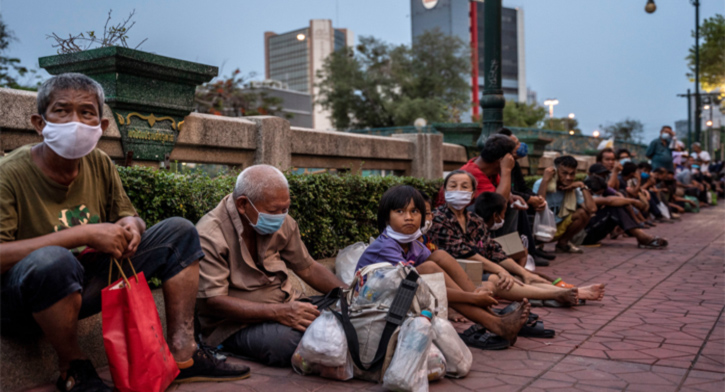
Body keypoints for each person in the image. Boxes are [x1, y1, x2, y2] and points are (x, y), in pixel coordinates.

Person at [0, 73, 249, 392]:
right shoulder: (11, 172)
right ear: (39, 123)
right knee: (54, 260)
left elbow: (128, 215)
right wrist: (83, 234)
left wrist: (132, 227)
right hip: (20, 299)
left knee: (179, 232)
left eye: (87, 112)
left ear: (101, 127)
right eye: (62, 110)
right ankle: (73, 367)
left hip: (80, 285)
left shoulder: (99, 162)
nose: (75, 120)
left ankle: (182, 355)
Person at [195, 165, 347, 368]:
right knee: (293, 343)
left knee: (344, 312)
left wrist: (350, 294)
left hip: (287, 307)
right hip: (233, 325)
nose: (281, 216)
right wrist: (280, 313)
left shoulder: (280, 220)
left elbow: (308, 267)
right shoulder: (210, 234)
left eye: (286, 209)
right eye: (274, 210)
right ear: (242, 204)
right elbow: (215, 302)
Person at [355, 185, 530, 348]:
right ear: (387, 217)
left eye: (414, 211)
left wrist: (471, 295)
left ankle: (492, 317)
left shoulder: (413, 244)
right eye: (400, 211)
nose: (408, 217)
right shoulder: (386, 246)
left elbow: (434, 272)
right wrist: (470, 298)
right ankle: (493, 322)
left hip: (401, 295)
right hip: (375, 302)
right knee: (428, 268)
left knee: (440, 256)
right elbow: (421, 285)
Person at [429, 171, 581, 306]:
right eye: (453, 186)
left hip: (476, 270)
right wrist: (501, 270)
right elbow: (464, 252)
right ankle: (557, 294)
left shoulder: (474, 220)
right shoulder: (438, 218)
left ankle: (568, 292)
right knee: (497, 279)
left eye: (464, 187)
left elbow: (493, 250)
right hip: (454, 275)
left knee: (519, 276)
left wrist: (523, 273)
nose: (458, 191)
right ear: (445, 190)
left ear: (473, 192)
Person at [473, 192, 605, 302]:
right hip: (475, 276)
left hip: (486, 270)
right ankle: (560, 294)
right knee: (504, 279)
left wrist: (523, 272)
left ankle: (571, 291)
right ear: (496, 215)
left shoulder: (482, 229)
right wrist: (502, 271)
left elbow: (496, 254)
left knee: (524, 275)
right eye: (504, 213)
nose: (504, 218)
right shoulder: (474, 228)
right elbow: (473, 256)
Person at [495, 128, 554, 265]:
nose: (520, 146)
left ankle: (533, 247)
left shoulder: (514, 164)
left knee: (534, 205)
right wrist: (528, 199)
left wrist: (534, 198)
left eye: (518, 142)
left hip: (511, 197)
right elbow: (506, 190)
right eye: (515, 144)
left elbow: (521, 187)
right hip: (502, 202)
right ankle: (527, 252)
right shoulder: (500, 164)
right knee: (518, 207)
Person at [582, 176, 668, 249]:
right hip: (584, 236)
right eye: (598, 194)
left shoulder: (598, 187)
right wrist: (634, 201)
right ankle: (641, 237)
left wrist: (627, 201)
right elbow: (609, 201)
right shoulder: (582, 194)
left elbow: (616, 195)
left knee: (619, 204)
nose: (600, 195)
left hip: (592, 231)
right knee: (612, 209)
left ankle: (640, 235)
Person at [533, 156, 597, 254]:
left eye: (572, 174)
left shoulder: (573, 188)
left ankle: (563, 243)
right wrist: (545, 181)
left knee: (583, 213)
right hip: (541, 230)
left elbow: (591, 209)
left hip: (558, 229)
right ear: (555, 171)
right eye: (564, 173)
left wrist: (582, 186)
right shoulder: (541, 183)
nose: (568, 178)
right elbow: (538, 205)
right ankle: (538, 244)